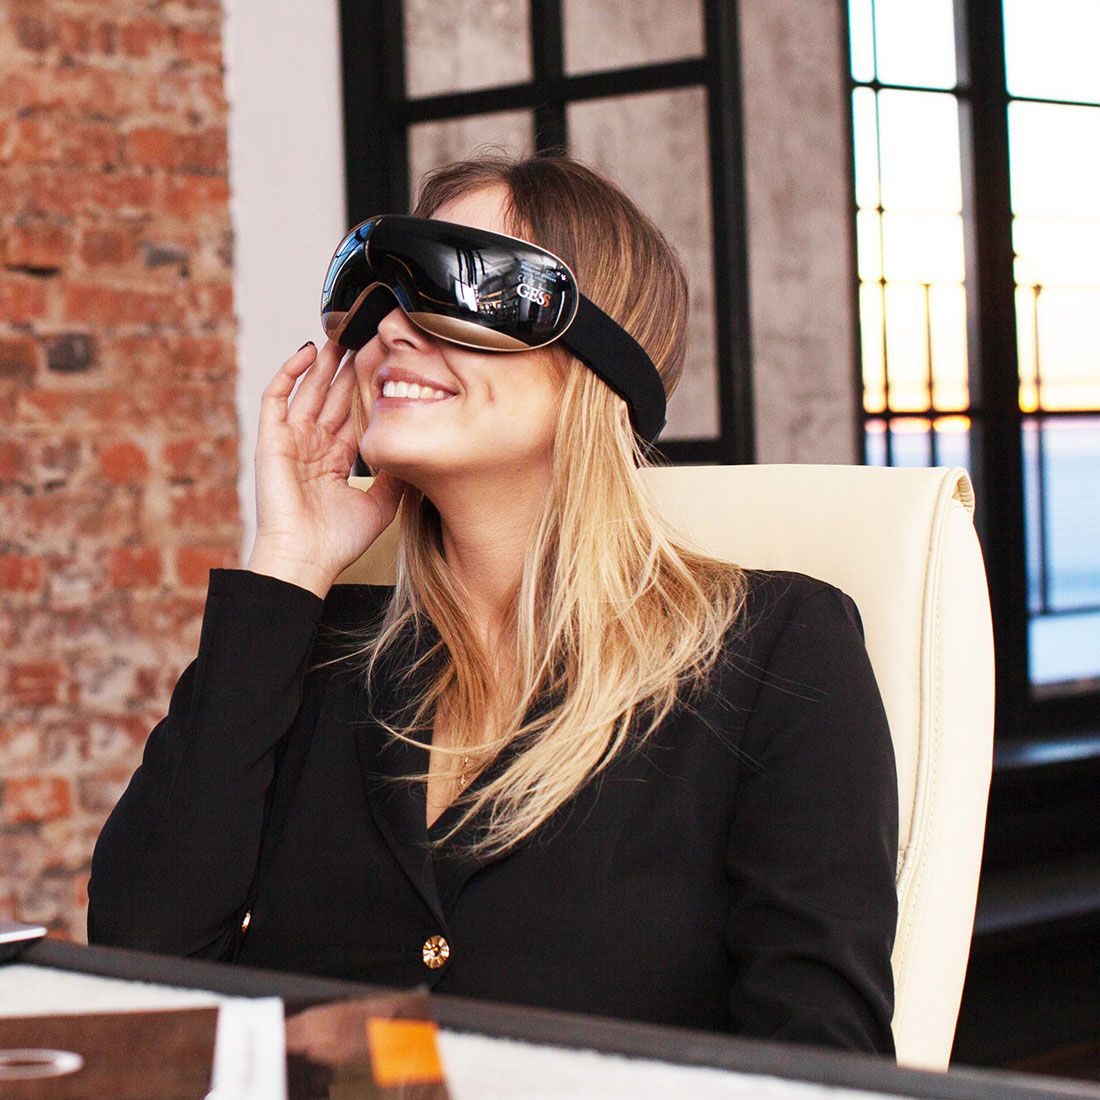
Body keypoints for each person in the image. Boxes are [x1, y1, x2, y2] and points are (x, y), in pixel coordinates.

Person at [88, 152, 899, 1056]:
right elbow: (142, 963)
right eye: (378, 296)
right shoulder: (317, 649)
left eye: (459, 288)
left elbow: (825, 1062)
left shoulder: (778, 651)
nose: (392, 331)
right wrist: (288, 564)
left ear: (601, 359)